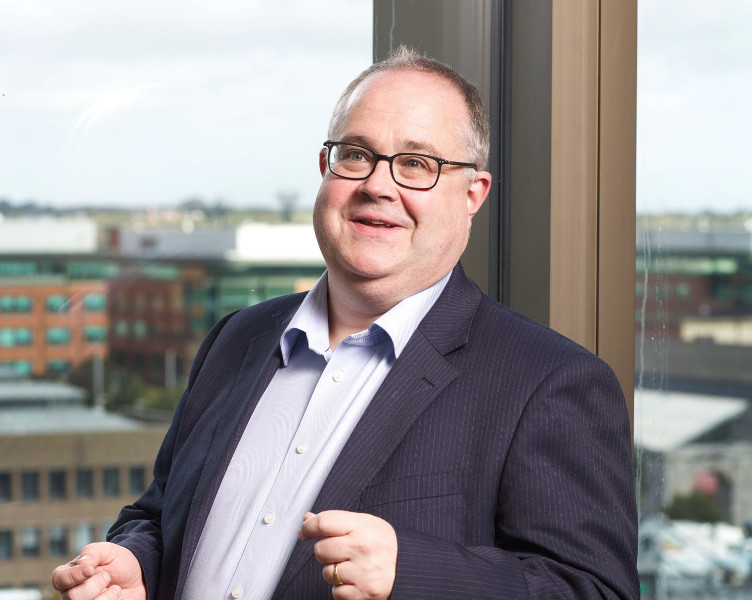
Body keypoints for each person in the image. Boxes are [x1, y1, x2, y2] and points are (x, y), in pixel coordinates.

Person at [53, 47, 639, 600]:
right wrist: (135, 562)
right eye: (356, 154)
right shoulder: (237, 339)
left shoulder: (549, 382)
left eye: (417, 164)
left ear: (473, 193)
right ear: (325, 169)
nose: (378, 185)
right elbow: (159, 514)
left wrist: (411, 571)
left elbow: (594, 590)